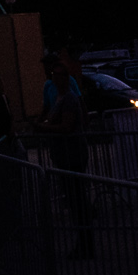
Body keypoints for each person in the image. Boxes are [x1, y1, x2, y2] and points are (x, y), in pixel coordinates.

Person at [39, 62, 94, 259]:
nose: (53, 78)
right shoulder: (58, 96)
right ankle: (84, 242)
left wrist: (45, 128)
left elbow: (67, 126)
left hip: (72, 155)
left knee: (77, 200)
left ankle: (86, 243)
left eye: (56, 75)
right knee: (74, 200)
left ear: (64, 79)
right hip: (65, 155)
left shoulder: (69, 99)